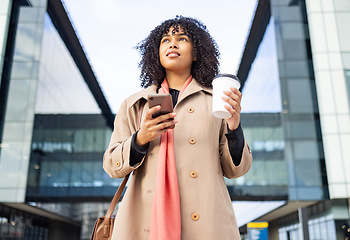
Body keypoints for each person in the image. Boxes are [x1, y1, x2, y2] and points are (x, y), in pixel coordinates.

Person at [103, 16, 252, 240]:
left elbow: (235, 170)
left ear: (196, 53)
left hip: (207, 223)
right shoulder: (135, 104)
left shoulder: (216, 101)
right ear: (156, 53)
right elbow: (111, 166)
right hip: (145, 222)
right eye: (165, 40)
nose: (172, 43)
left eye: (182, 38)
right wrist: (141, 138)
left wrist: (233, 125)